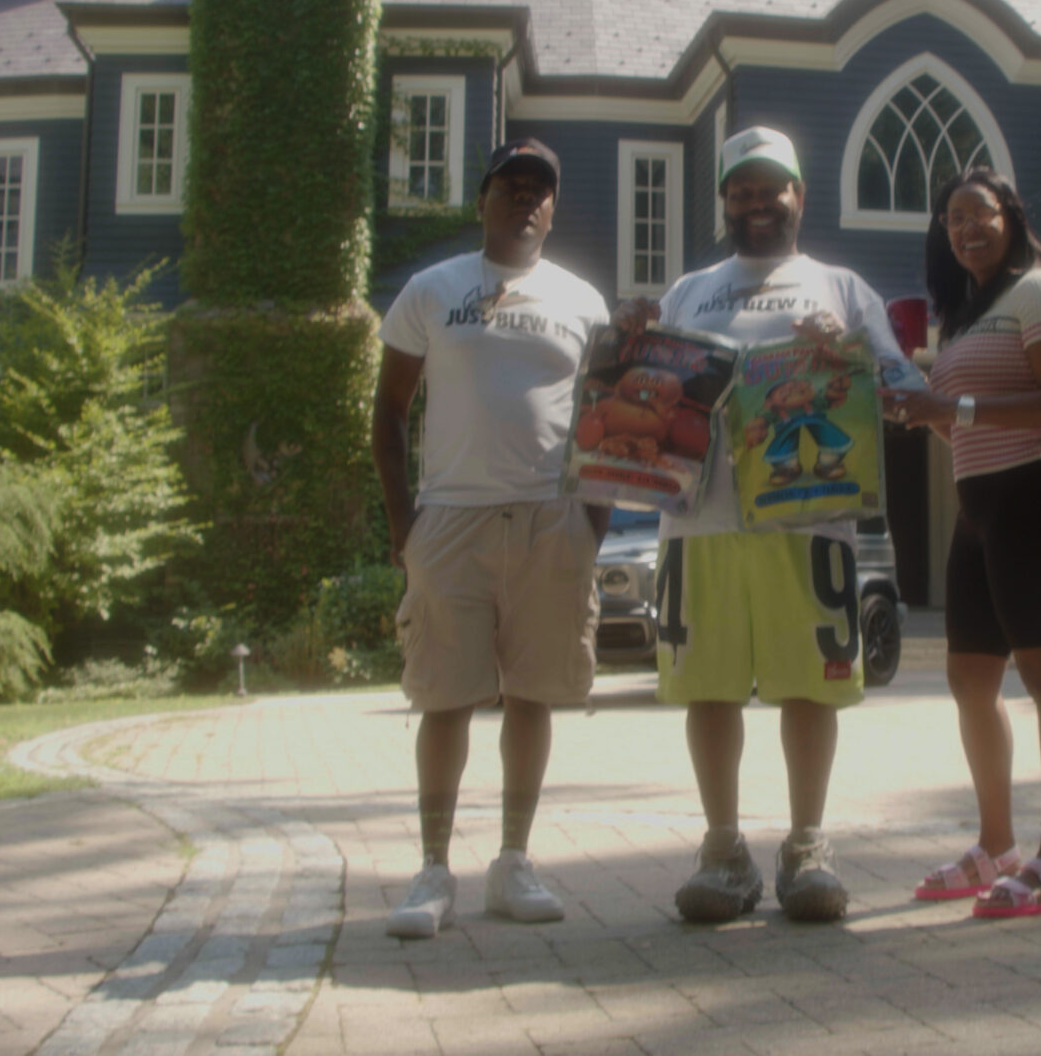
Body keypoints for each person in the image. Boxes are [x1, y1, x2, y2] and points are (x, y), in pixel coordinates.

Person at [616, 125, 921, 924]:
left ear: (799, 196)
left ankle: (806, 847)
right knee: (707, 689)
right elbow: (656, 393)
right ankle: (723, 852)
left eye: (771, 187)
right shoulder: (688, 290)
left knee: (807, 689)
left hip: (808, 521)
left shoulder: (843, 286)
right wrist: (632, 349)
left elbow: (898, 387)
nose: (757, 203)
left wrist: (850, 355)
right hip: (700, 523)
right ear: (724, 200)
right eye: (741, 190)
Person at [371, 138, 611, 940]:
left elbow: (605, 420)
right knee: (445, 698)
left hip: (550, 519)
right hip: (450, 518)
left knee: (533, 694)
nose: (526, 201)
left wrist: (592, 520)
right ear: (483, 200)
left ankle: (513, 862)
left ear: (553, 207)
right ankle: (433, 869)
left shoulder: (583, 301)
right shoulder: (430, 291)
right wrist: (406, 527)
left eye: (541, 190)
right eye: (511, 187)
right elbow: (389, 412)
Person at [880, 167, 1041, 918]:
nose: (965, 229)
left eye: (979, 213)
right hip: (984, 512)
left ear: (1010, 216)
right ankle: (997, 846)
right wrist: (924, 413)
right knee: (971, 681)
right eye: (952, 219)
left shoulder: (1040, 290)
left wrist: (955, 405)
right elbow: (967, 423)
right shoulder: (966, 315)